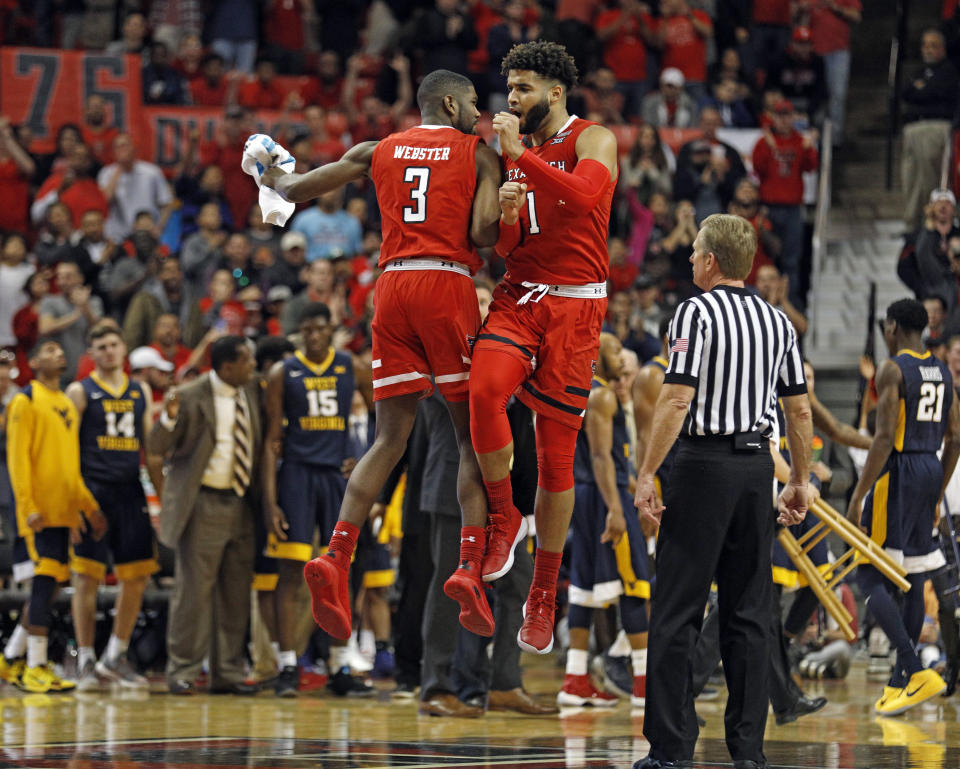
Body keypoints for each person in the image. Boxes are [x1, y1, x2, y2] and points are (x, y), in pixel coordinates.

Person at [255, 69, 501, 639]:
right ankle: (468, 566)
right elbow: (486, 233)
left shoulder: (377, 148)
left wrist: (264, 161)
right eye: (471, 103)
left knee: (389, 439)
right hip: (445, 284)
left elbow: (288, 193)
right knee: (469, 438)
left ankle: (336, 555)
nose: (477, 113)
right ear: (449, 102)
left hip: (389, 289)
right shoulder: (476, 151)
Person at [632, 213, 812, 769]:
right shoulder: (780, 323)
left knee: (676, 610)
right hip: (758, 472)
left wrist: (645, 473)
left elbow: (677, 399)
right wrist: (800, 480)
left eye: (694, 253)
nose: (688, 260)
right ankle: (748, 753)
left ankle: (670, 750)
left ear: (711, 261)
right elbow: (799, 409)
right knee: (750, 615)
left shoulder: (695, 311)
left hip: (702, 467)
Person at [468, 40, 618, 655]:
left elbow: (583, 198)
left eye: (523, 89)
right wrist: (506, 215)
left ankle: (544, 593)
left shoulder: (595, 138)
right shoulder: (519, 156)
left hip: (577, 307)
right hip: (521, 294)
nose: (513, 100)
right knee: (483, 390)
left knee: (559, 461)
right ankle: (504, 516)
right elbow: (508, 248)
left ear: (555, 92)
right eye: (510, 90)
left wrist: (517, 162)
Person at [846, 298, 960, 715]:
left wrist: (859, 495)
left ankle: (912, 668)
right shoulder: (943, 371)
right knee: (911, 577)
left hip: (899, 470)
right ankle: (900, 682)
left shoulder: (894, 368)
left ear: (892, 327)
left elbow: (881, 437)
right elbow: (957, 436)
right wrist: (937, 490)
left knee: (869, 575)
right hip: (930, 465)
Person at [261, 302, 368, 697]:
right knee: (289, 573)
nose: (313, 335)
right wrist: (270, 502)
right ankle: (288, 664)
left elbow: (384, 417)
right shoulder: (282, 372)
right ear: (300, 333)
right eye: (306, 329)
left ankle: (340, 665)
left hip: (336, 480)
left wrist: (366, 456)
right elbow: (272, 440)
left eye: (320, 328)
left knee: (342, 572)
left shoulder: (351, 366)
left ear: (330, 329)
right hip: (296, 476)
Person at [146, 335, 262, 695]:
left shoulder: (253, 389)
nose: (253, 366)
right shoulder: (192, 393)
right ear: (227, 366)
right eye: (247, 360)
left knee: (235, 592)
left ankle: (226, 672)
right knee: (194, 593)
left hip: (243, 502)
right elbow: (156, 447)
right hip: (203, 503)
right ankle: (183, 670)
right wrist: (167, 418)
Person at [4, 339, 107, 693]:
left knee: (51, 589)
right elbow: (18, 461)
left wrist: (88, 506)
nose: (58, 353)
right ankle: (34, 665)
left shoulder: (65, 402)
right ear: (32, 362)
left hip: (63, 514)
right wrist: (28, 508)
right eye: (47, 350)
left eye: (60, 350)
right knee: (44, 584)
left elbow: (69, 466)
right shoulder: (25, 400)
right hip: (38, 515)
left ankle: (10, 657)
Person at [66, 322, 161, 690]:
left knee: (136, 576)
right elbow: (68, 452)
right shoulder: (80, 391)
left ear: (124, 349)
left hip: (129, 489)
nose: (108, 351)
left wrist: (161, 496)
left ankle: (115, 655)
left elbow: (150, 451)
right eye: (101, 346)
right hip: (92, 489)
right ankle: (86, 658)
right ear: (91, 354)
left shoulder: (140, 391)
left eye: (113, 344)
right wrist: (74, 502)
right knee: (86, 576)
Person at [561, 332, 650, 708]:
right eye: (614, 349)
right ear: (596, 356)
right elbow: (600, 458)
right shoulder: (600, 394)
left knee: (584, 586)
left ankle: (575, 678)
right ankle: (645, 686)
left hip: (588, 494)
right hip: (602, 496)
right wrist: (616, 508)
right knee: (634, 584)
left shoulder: (587, 391)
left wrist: (636, 485)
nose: (622, 357)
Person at [901, 29, 959, 233]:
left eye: (934, 45)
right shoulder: (919, 71)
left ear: (942, 49)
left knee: (928, 179)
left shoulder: (949, 71)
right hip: (912, 129)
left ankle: (930, 224)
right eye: (925, 45)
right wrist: (922, 90)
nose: (929, 49)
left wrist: (922, 90)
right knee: (909, 178)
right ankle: (911, 224)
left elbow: (938, 92)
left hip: (935, 128)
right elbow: (906, 92)